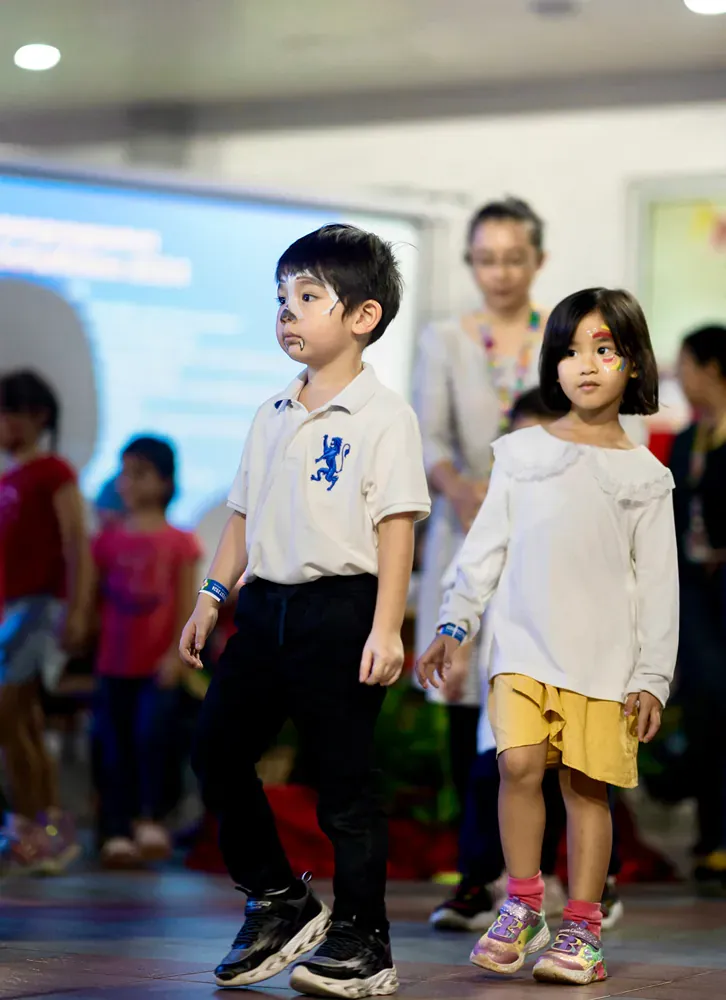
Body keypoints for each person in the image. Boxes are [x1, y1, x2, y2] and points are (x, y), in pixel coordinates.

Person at [181, 224, 430, 998]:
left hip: (343, 610)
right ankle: (279, 899)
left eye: (308, 297)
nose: (288, 313)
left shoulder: (385, 416)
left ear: (363, 316)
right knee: (216, 752)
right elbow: (243, 518)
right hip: (265, 612)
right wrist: (210, 597)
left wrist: (386, 626)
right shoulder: (272, 411)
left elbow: (396, 528)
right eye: (281, 298)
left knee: (344, 784)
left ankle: (366, 939)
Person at [418, 288, 678, 986]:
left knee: (587, 787)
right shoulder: (521, 452)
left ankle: (584, 930)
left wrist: (652, 675)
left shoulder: (647, 477)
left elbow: (659, 585)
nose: (585, 364)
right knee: (518, 765)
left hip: (603, 659)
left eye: (604, 349)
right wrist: (454, 621)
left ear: (633, 363)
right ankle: (523, 902)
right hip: (523, 647)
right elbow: (485, 548)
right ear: (551, 366)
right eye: (569, 351)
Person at [430, 389, 623, 934]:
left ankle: (591, 887)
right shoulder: (500, 510)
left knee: (580, 785)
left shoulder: (595, 516)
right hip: (513, 671)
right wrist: (458, 646)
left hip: (582, 675)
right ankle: (484, 885)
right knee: (495, 774)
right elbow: (470, 582)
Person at [413, 199, 548, 879]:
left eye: (513, 258)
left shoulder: (559, 332)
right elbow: (428, 433)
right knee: (461, 686)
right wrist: (461, 488)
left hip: (543, 529)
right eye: (486, 258)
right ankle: (476, 864)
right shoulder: (445, 337)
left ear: (538, 261)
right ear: (471, 261)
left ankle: (526, 864)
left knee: (532, 680)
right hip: (463, 522)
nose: (499, 272)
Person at [92, 436, 200, 868]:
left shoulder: (180, 542)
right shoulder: (107, 540)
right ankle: (115, 829)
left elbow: (183, 599)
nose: (128, 482)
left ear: (165, 481)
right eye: (124, 472)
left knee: (153, 739)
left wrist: (176, 655)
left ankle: (150, 820)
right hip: (112, 662)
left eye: (140, 473)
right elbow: (91, 601)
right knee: (112, 744)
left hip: (156, 665)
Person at [0, 370, 91, 873]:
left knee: (10, 715)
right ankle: (43, 831)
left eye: (9, 412)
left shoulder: (54, 471)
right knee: (24, 723)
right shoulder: (10, 477)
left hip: (41, 607)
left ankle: (34, 828)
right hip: (13, 609)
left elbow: (76, 541)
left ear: (38, 416)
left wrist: (77, 608)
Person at [670, 325, 726, 886]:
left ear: (711, 368)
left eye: (685, 365)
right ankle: (711, 838)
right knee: (708, 704)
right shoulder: (687, 442)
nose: (679, 377)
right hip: (696, 594)